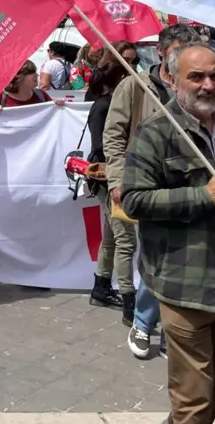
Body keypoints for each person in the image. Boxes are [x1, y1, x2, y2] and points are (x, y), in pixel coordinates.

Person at [121, 44, 215, 424]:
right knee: (193, 399)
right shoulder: (155, 133)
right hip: (185, 283)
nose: (208, 85)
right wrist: (203, 196)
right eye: (196, 76)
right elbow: (134, 200)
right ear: (171, 78)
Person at [104, 22, 202, 342]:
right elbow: (114, 136)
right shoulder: (134, 86)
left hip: (187, 183)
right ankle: (145, 321)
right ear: (160, 52)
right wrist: (118, 180)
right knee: (155, 253)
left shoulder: (194, 86)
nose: (183, 58)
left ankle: (167, 325)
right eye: (177, 52)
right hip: (147, 183)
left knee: (181, 254)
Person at [84, 43, 136, 311]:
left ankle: (101, 287)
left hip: (113, 177)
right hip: (110, 180)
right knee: (126, 238)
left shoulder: (112, 105)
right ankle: (130, 299)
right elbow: (101, 149)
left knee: (113, 237)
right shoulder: (104, 107)